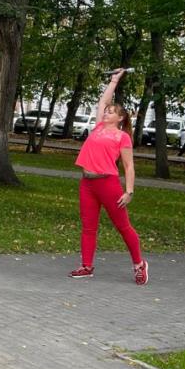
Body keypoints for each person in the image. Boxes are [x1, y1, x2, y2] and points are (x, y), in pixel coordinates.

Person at [69, 69, 148, 284]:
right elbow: (103, 100)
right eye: (106, 111)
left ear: (120, 118)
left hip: (108, 184)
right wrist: (114, 80)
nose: (106, 113)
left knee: (123, 227)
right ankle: (86, 266)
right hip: (87, 183)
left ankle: (139, 265)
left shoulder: (122, 137)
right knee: (88, 226)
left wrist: (129, 191)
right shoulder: (98, 127)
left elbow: (129, 166)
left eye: (111, 112)